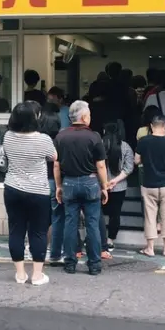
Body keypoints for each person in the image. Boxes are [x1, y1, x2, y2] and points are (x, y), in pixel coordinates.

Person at [2, 101, 57, 286]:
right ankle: (37, 275)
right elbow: (54, 156)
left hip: (12, 189)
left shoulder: (8, 137)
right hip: (37, 191)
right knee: (38, 232)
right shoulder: (43, 140)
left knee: (16, 230)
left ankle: (20, 274)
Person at [54, 100, 109, 276]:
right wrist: (105, 186)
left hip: (69, 182)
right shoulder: (94, 137)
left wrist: (58, 186)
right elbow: (100, 165)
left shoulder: (61, 137)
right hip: (90, 183)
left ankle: (70, 263)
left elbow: (56, 165)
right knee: (92, 224)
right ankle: (94, 265)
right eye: (89, 115)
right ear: (84, 117)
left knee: (70, 223)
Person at [135, 115, 165, 257]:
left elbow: (136, 161)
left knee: (150, 216)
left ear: (151, 126)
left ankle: (150, 248)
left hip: (149, 183)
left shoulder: (143, 141)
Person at [102, 122, 134, 252]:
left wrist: (105, 181)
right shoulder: (126, 147)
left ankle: (96, 238)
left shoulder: (100, 145)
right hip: (119, 187)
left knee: (96, 214)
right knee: (115, 214)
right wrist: (115, 181)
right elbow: (129, 168)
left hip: (101, 186)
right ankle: (110, 241)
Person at [39, 103, 64, 265]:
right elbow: (58, 164)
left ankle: (33, 248)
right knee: (56, 217)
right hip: (53, 182)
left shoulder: (36, 140)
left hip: (37, 182)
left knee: (38, 217)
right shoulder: (59, 141)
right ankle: (54, 250)